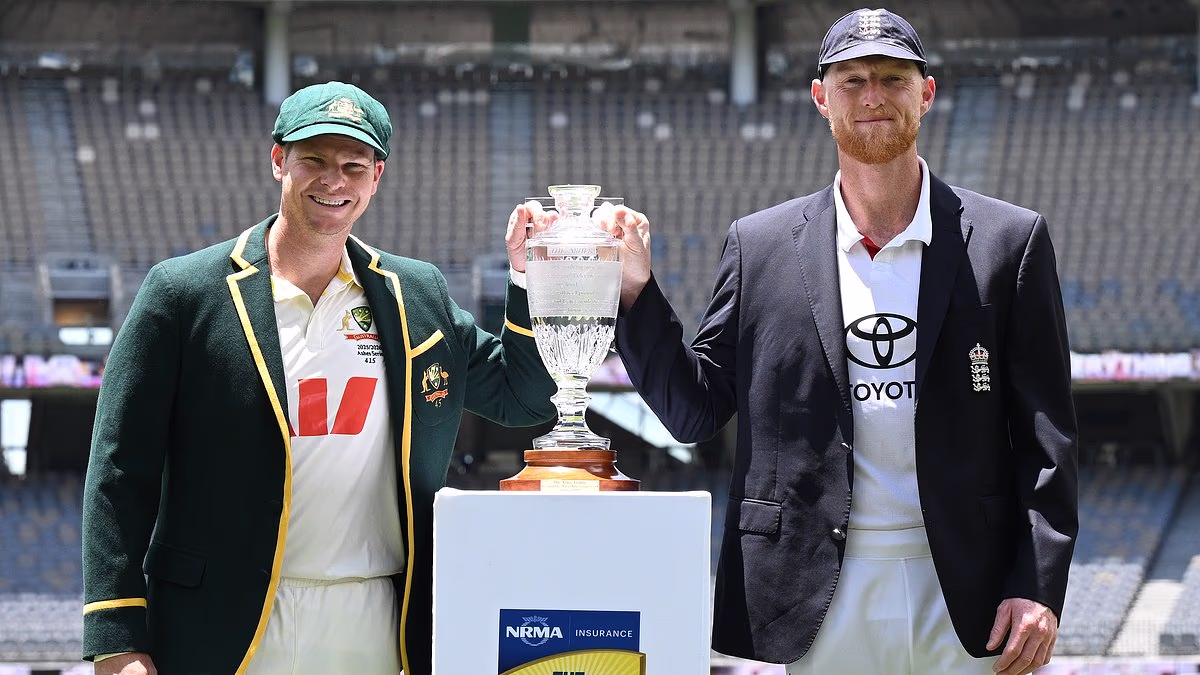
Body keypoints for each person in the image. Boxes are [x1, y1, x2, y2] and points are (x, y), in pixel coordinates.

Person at [607, 8, 1078, 675]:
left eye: (892, 77)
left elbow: (1047, 436)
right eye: (852, 80)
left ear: (927, 92)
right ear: (821, 98)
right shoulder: (761, 246)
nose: (873, 96)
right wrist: (635, 295)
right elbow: (696, 409)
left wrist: (1038, 583)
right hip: (817, 595)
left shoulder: (1009, 241)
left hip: (970, 595)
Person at [81, 81, 556, 675]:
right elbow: (120, 470)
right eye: (315, 160)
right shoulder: (182, 293)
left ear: (376, 177)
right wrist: (116, 633)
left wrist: (529, 280)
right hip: (224, 623)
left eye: (354, 165)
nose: (334, 181)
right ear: (278, 160)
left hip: (383, 618)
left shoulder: (418, 293)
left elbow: (524, 395)